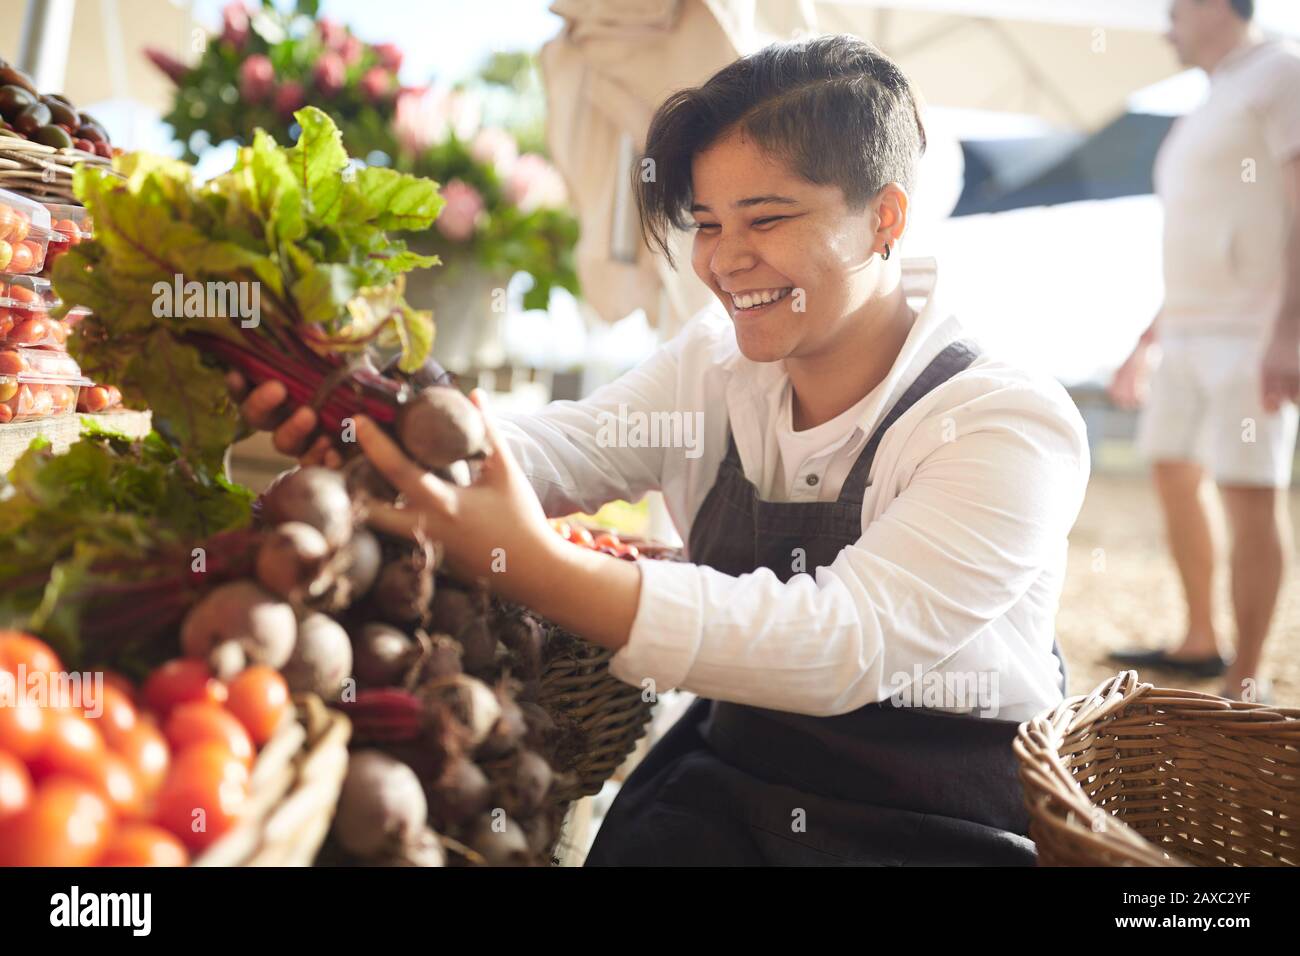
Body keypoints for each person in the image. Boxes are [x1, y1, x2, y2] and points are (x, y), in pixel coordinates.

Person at [233, 35, 1090, 865]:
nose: (724, 261)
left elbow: (841, 642)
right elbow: (567, 448)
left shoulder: (1002, 422)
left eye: (767, 218)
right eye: (707, 223)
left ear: (884, 219)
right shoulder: (715, 364)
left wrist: (538, 566)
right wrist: (363, 420)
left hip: (935, 823)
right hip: (731, 780)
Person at [1108, 0, 1300, 702]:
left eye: (1176, 9)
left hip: (1251, 332)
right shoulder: (1211, 101)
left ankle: (1247, 676)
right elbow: (1201, 231)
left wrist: (1289, 332)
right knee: (1171, 469)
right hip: (1187, 330)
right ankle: (1199, 639)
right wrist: (1146, 338)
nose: (1166, 25)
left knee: (1249, 489)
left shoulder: (1283, 73)